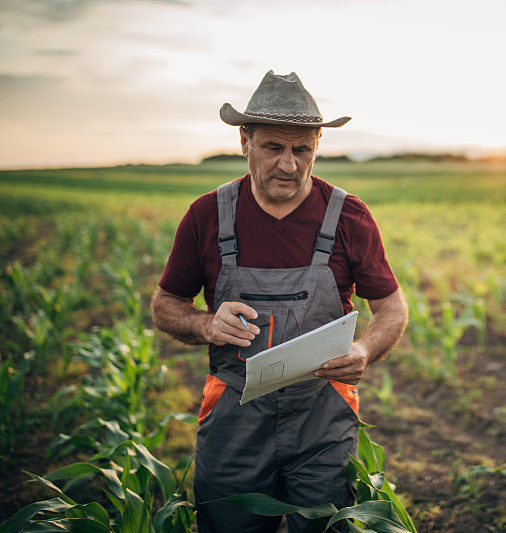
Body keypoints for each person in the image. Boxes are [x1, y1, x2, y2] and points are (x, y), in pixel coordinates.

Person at [150, 70, 408, 533]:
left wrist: (364, 351)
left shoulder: (349, 215)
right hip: (233, 419)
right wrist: (207, 325)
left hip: (323, 418)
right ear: (245, 141)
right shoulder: (206, 215)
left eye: (302, 150)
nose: (288, 165)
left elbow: (391, 306)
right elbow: (166, 303)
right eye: (273, 147)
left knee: (326, 526)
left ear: (316, 148)